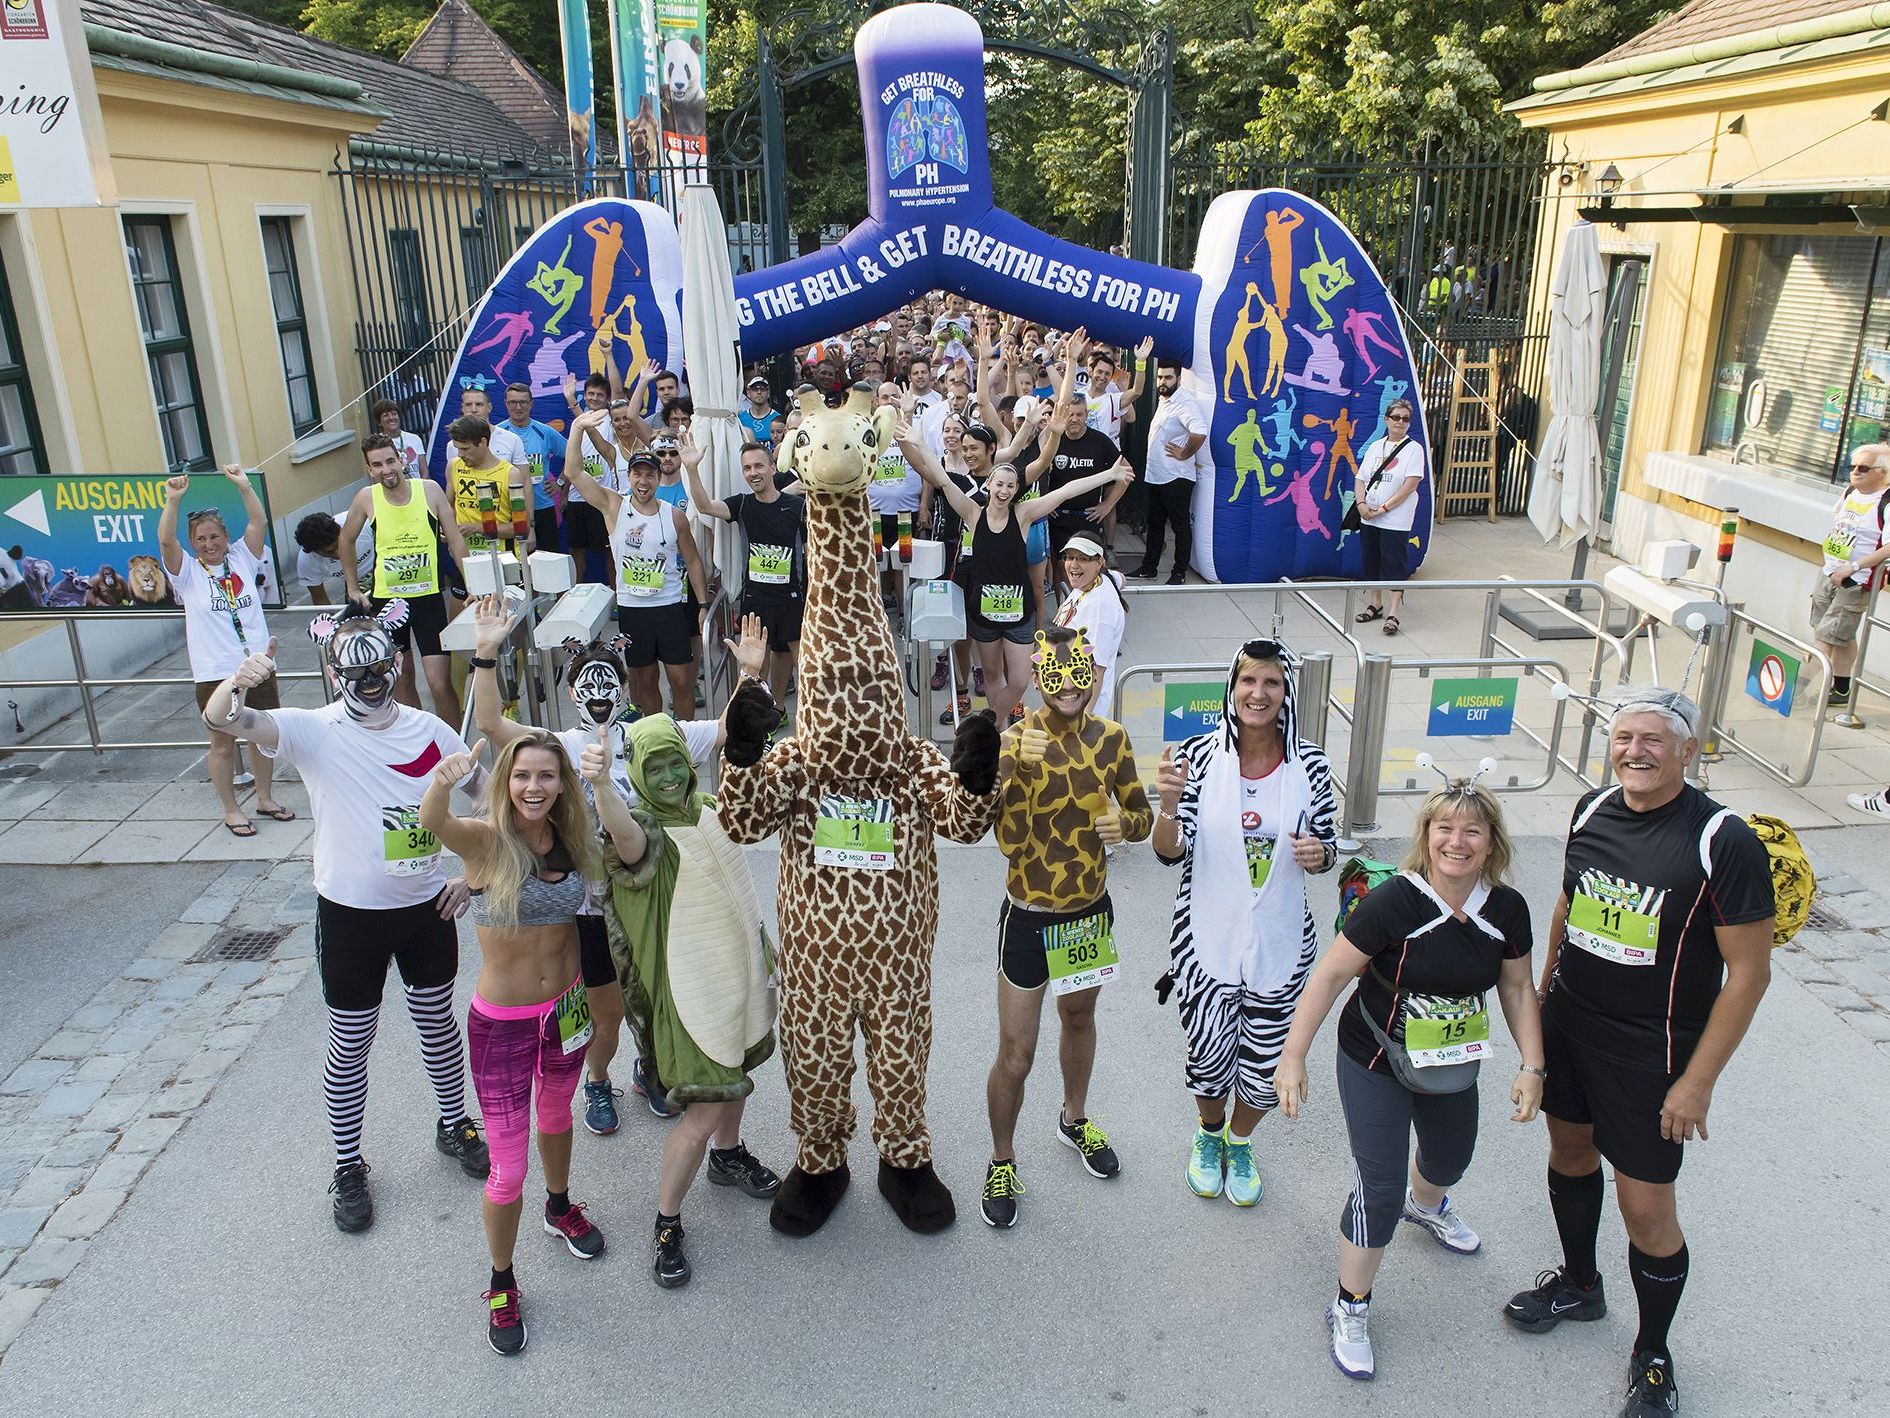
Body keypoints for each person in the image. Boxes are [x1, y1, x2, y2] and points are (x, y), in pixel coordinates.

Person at [1504, 687, 1773, 1418]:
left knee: (1646, 1208)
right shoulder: (1591, 808)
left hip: (1652, 1053)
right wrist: (1544, 1000)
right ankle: (1581, 1285)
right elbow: (1568, 904)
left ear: (1689, 750)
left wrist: (1698, 1083)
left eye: (1654, 740)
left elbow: (1749, 973)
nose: (1636, 751)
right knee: (1569, 1153)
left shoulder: (1723, 840)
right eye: (1624, 737)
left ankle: (1652, 1352)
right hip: (1572, 1026)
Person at [203, 603, 490, 1234]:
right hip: (350, 916)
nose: (367, 683)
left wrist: (475, 874)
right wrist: (239, 678)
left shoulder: (430, 731)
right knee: (351, 1043)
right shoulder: (313, 728)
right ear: (334, 672)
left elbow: (491, 799)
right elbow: (220, 717)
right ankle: (347, 1162)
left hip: (425, 909)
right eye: (353, 672)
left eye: (378, 668)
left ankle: (454, 1122)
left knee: (436, 1021)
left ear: (395, 664)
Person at [1275, 777, 1545, 1381]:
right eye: (1444, 827)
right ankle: (1350, 1305)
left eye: (1472, 830)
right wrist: (1294, 1056)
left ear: (1491, 841)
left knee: (1451, 1157)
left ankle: (1428, 1207)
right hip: (1374, 1056)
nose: (1457, 840)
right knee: (1380, 1187)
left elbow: (1518, 987)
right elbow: (1327, 978)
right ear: (1426, 836)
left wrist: (1533, 1064)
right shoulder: (1394, 902)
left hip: (1449, 1058)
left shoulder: (1506, 910)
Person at [469, 596, 728, 1128]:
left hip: (649, 898)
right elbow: (492, 723)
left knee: (660, 998)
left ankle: (651, 1069)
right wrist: (486, 655)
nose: (599, 697)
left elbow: (725, 729)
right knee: (604, 1016)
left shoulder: (649, 734)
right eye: (586, 688)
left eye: (609, 686)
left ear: (626, 688)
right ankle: (598, 1081)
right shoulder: (559, 746)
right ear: (570, 693)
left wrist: (748, 671)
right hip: (588, 909)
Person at [420, 731, 607, 1355]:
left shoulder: (574, 841)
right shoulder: (485, 838)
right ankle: (501, 1280)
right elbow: (433, 820)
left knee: (557, 1116)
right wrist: (443, 778)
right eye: (522, 775)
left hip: (566, 1010)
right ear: (505, 781)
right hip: (502, 1024)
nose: (534, 787)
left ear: (562, 785)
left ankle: (559, 1208)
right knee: (506, 1169)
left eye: (546, 776)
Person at [591, 710, 782, 1288]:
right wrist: (601, 785)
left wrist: (751, 683)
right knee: (698, 1114)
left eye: (677, 760)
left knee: (737, 1073)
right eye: (656, 766)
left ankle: (728, 1156)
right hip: (692, 995)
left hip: (739, 979)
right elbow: (623, 838)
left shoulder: (708, 808)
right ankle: (667, 1220)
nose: (671, 774)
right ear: (638, 774)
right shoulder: (645, 830)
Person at [1151, 640, 1337, 1205]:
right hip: (1206, 939)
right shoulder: (1197, 757)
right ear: (1231, 690)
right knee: (1207, 1058)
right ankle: (1208, 1134)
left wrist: (1320, 856)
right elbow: (1166, 853)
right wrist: (1165, 805)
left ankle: (1240, 1141)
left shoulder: (1312, 764)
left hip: (1281, 943)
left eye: (1272, 683)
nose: (1259, 694)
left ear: (1286, 694)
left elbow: (1327, 846)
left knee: (1264, 1063)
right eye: (1248, 682)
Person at [981, 626, 1153, 1227]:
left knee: (1080, 1017)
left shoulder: (1112, 740)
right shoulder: (1015, 740)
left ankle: (1073, 1117)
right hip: (1028, 916)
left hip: (1087, 913)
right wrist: (1011, 777)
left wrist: (1123, 828)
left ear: (1095, 676)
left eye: (1079, 676)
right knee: (1016, 1053)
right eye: (1055, 676)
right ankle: (1002, 1158)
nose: (1068, 689)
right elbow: (1003, 840)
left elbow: (1140, 813)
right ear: (1036, 677)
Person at [900, 425, 1131, 723]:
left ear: (1015, 490)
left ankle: (990, 723)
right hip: (983, 615)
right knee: (993, 678)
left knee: (1020, 681)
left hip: (1019, 615)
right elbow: (943, 481)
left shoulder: (1023, 515)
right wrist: (919, 441)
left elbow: (1065, 491)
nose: (1004, 491)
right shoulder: (972, 513)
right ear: (989, 486)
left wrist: (1108, 476)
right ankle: (998, 736)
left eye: (1011, 486)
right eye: (999, 484)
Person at [157, 464, 291, 837]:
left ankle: (264, 798)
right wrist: (173, 500)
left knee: (263, 737)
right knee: (222, 742)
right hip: (215, 671)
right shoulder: (187, 571)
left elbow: (259, 522)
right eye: (201, 538)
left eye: (214, 536)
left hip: (257, 665)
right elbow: (167, 542)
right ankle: (231, 809)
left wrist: (245, 488)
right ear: (194, 542)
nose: (209, 544)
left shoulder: (241, 557)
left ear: (224, 536)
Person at [562, 409, 708, 718]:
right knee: (645, 682)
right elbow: (573, 473)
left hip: (670, 606)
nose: (643, 481)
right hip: (633, 609)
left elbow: (693, 561)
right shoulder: (614, 505)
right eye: (637, 474)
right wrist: (577, 428)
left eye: (649, 475)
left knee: (682, 681)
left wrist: (704, 604)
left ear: (658, 478)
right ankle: (655, 739)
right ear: (629, 477)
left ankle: (683, 740)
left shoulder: (674, 514)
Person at [339, 434, 470, 726]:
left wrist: (472, 584)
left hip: (428, 599)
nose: (386, 470)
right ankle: (418, 739)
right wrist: (352, 587)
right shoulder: (366, 498)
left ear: (401, 458)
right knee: (401, 680)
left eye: (390, 461)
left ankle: (454, 745)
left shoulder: (430, 491)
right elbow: (345, 540)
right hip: (386, 602)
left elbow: (456, 543)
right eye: (377, 465)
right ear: (369, 470)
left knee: (439, 683)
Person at [681, 435, 806, 702]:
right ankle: (763, 725)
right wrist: (691, 468)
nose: (753, 473)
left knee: (805, 669)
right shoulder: (742, 504)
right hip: (756, 600)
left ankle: (807, 726)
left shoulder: (797, 506)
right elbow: (704, 506)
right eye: (747, 468)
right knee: (755, 671)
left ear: (772, 468)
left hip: (792, 600)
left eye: (759, 466)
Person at [1812, 442, 1890, 707]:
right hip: (1830, 571)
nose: (1855, 472)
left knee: (1826, 637)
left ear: (1882, 472)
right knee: (1838, 634)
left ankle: (1795, 690)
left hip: (1857, 580)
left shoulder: (1887, 501)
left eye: (1864, 468)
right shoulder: (1850, 491)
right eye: (1853, 466)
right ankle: (1842, 690)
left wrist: (1855, 567)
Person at [1352, 399, 1426, 636]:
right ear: (1387, 419)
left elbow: (1410, 485)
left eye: (1405, 419)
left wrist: (1384, 508)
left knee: (1394, 563)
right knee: (1371, 560)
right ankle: (1376, 603)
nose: (1400, 423)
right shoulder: (1376, 446)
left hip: (1394, 518)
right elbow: (1361, 478)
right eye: (1396, 418)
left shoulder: (1414, 449)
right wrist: (1361, 504)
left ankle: (1394, 611)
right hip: (1369, 515)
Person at [1131, 358, 1206, 584]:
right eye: (1160, 377)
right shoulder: (1165, 400)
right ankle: (1149, 567)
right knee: (1155, 524)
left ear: (1179, 379)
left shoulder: (1184, 402)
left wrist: (1184, 453)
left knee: (1180, 526)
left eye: (1168, 377)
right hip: (1157, 476)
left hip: (1176, 477)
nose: (1163, 382)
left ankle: (1179, 572)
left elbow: (1200, 432)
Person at [1050, 534, 1128, 712]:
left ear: (1099, 562)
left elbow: (1096, 669)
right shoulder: (1098, 580)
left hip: (1078, 705)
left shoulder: (1100, 608)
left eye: (1083, 559)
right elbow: (1120, 578)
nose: (1074, 565)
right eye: (1069, 557)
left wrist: (1083, 721)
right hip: (1064, 690)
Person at [445, 415, 534, 562]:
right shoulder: (453, 466)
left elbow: (522, 528)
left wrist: (478, 528)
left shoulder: (510, 474)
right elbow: (448, 510)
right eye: (457, 449)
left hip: (503, 558)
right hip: (466, 558)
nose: (460, 454)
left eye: (465, 449)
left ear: (483, 442)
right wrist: (447, 533)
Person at [501, 381, 569, 553]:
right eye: (513, 402)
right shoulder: (497, 433)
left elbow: (574, 455)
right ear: (505, 404)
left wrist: (560, 483)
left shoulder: (544, 431)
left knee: (550, 560)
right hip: (509, 510)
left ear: (531, 404)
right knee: (515, 564)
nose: (518, 407)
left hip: (542, 507)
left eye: (523, 402)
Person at [293, 512, 373, 607]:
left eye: (340, 544)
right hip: (354, 582)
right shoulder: (306, 561)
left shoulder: (360, 522)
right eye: (330, 552)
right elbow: (320, 600)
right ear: (315, 552)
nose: (340, 553)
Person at [370, 398, 426, 479]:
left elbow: (424, 472)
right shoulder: (377, 444)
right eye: (386, 415)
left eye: (394, 414)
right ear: (379, 422)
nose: (391, 418)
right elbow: (377, 477)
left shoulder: (415, 439)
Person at [739, 374, 781, 446]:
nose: (759, 392)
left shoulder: (777, 418)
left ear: (768, 393)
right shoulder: (740, 419)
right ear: (748, 393)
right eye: (755, 389)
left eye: (763, 389)